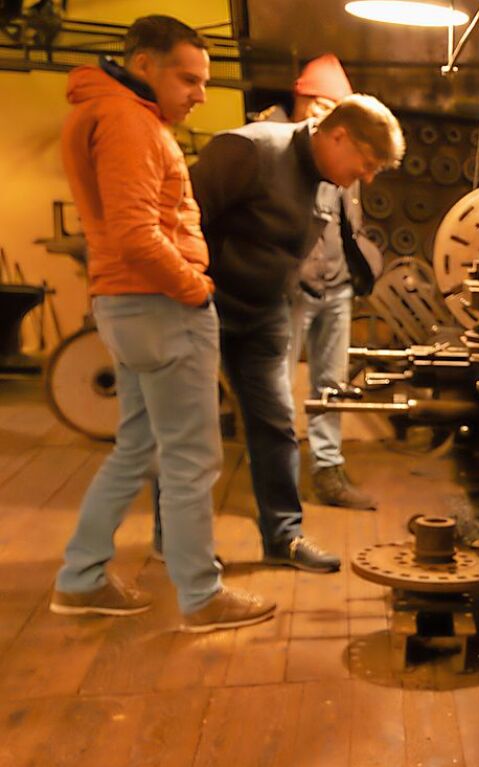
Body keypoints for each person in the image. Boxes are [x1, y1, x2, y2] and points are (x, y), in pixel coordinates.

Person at [52, 15, 275, 632]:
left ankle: (81, 577)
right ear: (144, 64)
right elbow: (135, 233)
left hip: (128, 306)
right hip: (160, 304)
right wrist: (194, 288)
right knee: (192, 459)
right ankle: (202, 595)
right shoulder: (127, 121)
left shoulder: (112, 113)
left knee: (138, 448)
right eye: (189, 79)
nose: (199, 94)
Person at [190, 94, 405, 572]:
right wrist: (191, 287)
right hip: (203, 309)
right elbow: (181, 218)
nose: (366, 178)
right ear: (338, 135)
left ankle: (283, 537)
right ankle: (178, 543)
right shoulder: (249, 151)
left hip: (264, 312)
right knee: (191, 433)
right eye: (366, 164)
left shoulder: (331, 179)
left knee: (276, 424)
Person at [259, 54, 380, 510]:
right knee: (275, 383)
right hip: (288, 288)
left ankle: (328, 472)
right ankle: (276, 479)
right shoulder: (271, 145)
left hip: (337, 284)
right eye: (331, 107)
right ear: (308, 102)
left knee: (331, 383)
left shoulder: (342, 147)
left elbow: (349, 217)